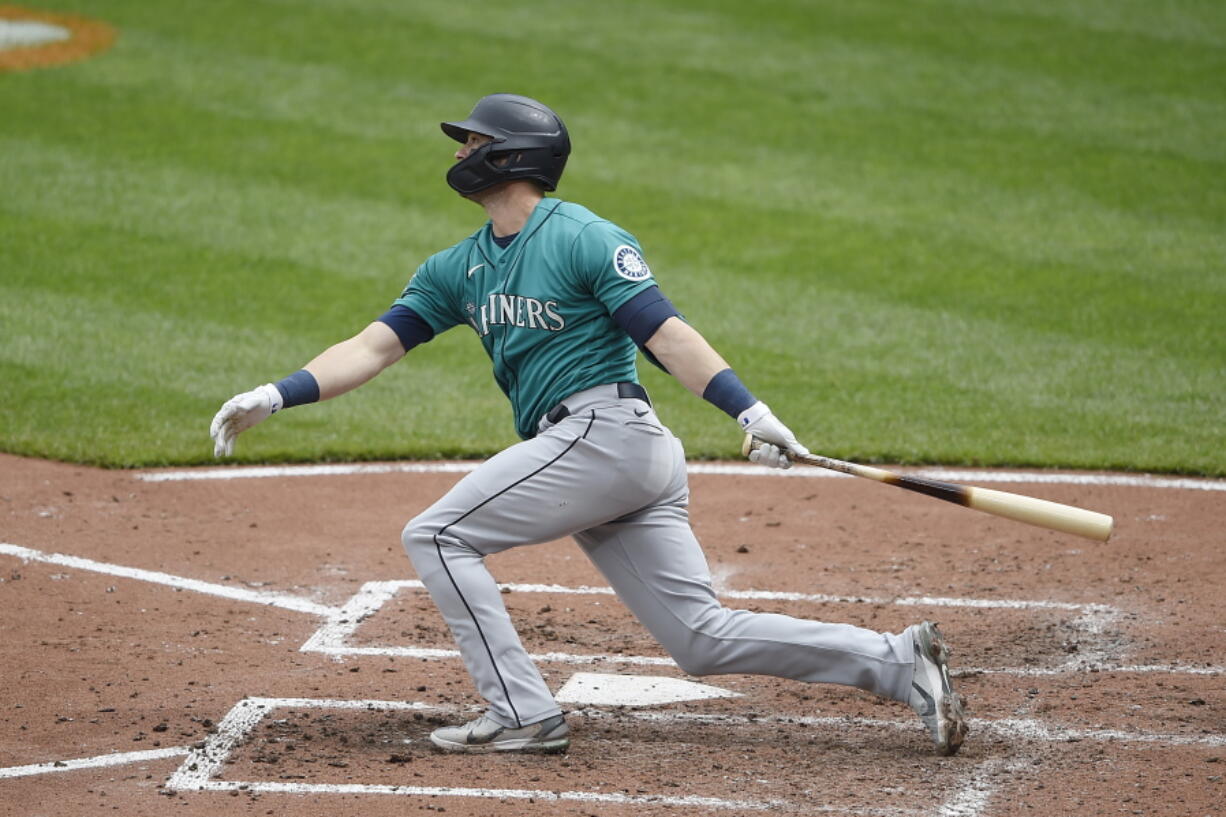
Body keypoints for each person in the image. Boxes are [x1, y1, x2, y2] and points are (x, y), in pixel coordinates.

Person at [209, 93, 969, 756]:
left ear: (510, 155)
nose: (459, 150)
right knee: (700, 639)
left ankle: (521, 713)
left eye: (472, 140)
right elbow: (374, 346)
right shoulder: (458, 266)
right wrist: (278, 394)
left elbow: (664, 333)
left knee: (437, 534)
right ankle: (899, 660)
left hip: (606, 436)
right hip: (609, 456)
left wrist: (750, 408)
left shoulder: (582, 236)